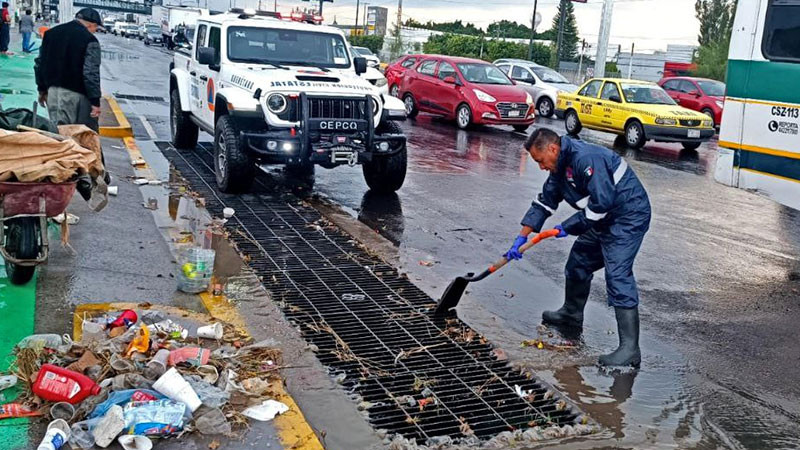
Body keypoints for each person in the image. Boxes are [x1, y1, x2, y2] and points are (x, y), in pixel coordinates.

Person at [506, 128, 651, 367]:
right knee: (579, 261)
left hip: (627, 216)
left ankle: (629, 349)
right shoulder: (559, 167)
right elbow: (545, 201)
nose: (541, 167)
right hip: (603, 217)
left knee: (617, 274)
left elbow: (602, 202)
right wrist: (520, 238)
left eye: (540, 160)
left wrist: (568, 226)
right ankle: (571, 314)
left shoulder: (586, 159)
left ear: (552, 148)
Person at [34, 7, 102, 132]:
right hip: (76, 96)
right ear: (92, 25)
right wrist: (95, 101)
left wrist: (42, 89)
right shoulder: (90, 40)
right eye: (95, 29)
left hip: (52, 92)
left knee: (56, 132)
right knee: (74, 136)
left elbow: (40, 63)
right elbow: (90, 73)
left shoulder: (51, 34)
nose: (95, 32)